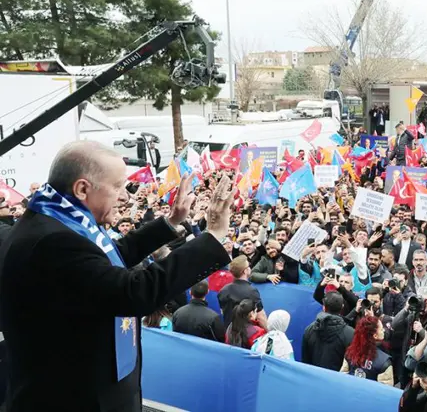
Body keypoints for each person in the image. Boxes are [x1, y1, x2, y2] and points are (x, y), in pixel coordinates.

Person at [0, 141, 234, 412]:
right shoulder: (53, 241)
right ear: (82, 189)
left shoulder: (56, 218)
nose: (125, 197)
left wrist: (170, 222)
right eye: (117, 187)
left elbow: (105, 258)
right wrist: (213, 236)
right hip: (72, 399)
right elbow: (133, 293)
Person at [302, 291, 355, 372]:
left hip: (313, 376)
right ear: (342, 307)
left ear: (324, 307)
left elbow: (305, 362)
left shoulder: (309, 329)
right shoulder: (350, 333)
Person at [218, 255, 264, 328]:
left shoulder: (223, 291)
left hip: (229, 332)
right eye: (248, 266)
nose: (250, 268)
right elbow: (261, 317)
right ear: (245, 271)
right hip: (246, 332)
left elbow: (223, 313)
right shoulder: (252, 291)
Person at [345, 315, 393, 383]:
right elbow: (385, 388)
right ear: (375, 336)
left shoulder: (350, 352)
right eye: (381, 329)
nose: (384, 330)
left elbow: (342, 378)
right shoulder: (384, 362)